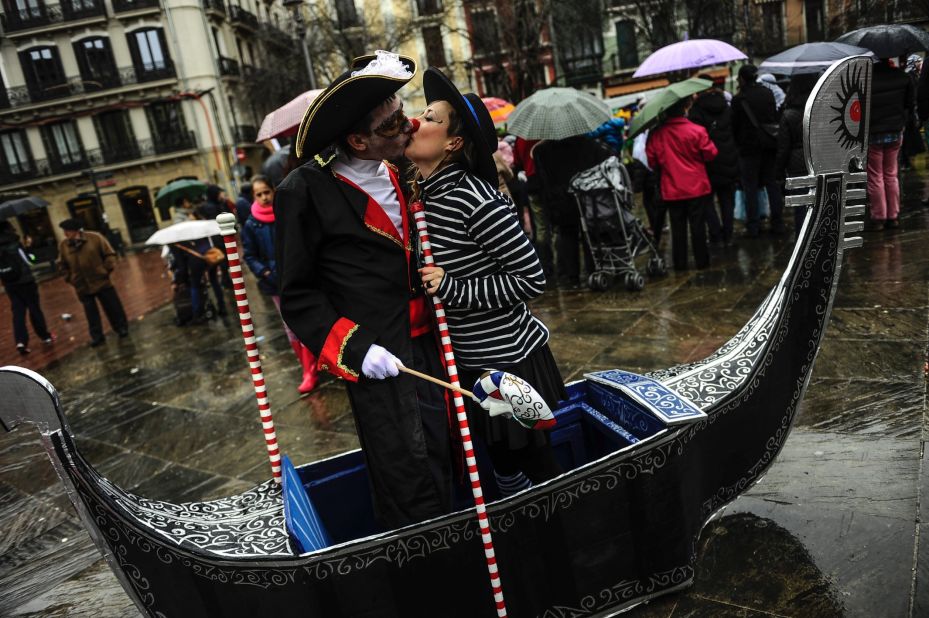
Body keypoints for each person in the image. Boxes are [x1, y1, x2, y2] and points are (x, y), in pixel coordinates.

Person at [275, 51, 452, 530]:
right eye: (393, 123)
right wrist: (356, 348)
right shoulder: (303, 191)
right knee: (407, 470)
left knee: (450, 450)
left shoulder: (401, 169)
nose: (409, 126)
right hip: (380, 359)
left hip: (434, 344)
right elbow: (298, 296)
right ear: (357, 139)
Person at [407, 67, 563, 496]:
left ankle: (568, 534)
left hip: (508, 362)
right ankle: (522, 527)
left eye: (432, 118)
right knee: (501, 462)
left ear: (453, 143)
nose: (416, 122)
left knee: (536, 463)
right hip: (466, 360)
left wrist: (453, 287)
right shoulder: (423, 194)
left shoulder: (475, 199)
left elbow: (531, 278)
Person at [241, 175, 318, 394]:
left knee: (309, 319)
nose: (264, 197)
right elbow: (250, 255)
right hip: (275, 283)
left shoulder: (286, 213)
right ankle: (308, 370)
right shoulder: (251, 224)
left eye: (267, 192)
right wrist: (265, 272)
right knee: (291, 326)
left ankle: (316, 364)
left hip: (299, 275)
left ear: (273, 190)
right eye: (259, 194)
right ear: (253, 197)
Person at [646, 96, 718, 271]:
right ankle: (702, 261)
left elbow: (652, 161)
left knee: (677, 228)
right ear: (684, 109)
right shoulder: (697, 130)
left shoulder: (657, 134)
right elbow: (711, 153)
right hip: (696, 186)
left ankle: (680, 263)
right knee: (698, 225)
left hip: (672, 189)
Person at [533, 134, 613, 287]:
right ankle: (593, 270)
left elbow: (544, 178)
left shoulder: (543, 150)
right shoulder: (586, 143)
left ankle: (572, 276)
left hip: (561, 198)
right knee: (588, 234)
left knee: (567, 236)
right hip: (584, 194)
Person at [732, 64, 785, 237]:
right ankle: (777, 223)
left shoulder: (739, 99)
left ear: (741, 78)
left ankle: (753, 226)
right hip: (769, 145)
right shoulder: (767, 93)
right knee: (772, 184)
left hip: (748, 149)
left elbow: (735, 126)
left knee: (751, 187)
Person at [57, 218, 128, 347]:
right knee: (91, 313)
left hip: (101, 280)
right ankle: (97, 336)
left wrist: (105, 270)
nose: (65, 234)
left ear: (76, 230)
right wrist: (69, 277)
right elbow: (62, 264)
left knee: (112, 307)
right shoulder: (64, 245)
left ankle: (121, 328)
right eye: (65, 231)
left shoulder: (95, 238)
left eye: (68, 231)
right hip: (81, 285)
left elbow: (109, 254)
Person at [689, 75, 740, 247]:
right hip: (729, 159)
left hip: (707, 163)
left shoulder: (695, 110)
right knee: (727, 200)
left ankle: (716, 236)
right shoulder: (725, 105)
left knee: (707, 202)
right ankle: (729, 235)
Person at [867, 57, 914, 229]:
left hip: (873, 133)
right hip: (895, 131)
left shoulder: (866, 80)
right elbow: (909, 103)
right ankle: (893, 215)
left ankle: (879, 217)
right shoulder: (902, 77)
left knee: (875, 175)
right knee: (891, 173)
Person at [775, 72, 819, 239]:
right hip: (818, 161)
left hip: (797, 166)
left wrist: (778, 171)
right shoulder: (820, 107)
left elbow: (783, 147)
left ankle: (803, 241)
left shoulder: (788, 114)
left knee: (801, 207)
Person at [0, 221, 53, 354]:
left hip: (10, 284)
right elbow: (30, 260)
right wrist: (28, 248)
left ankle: (20, 342)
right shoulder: (15, 243)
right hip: (26, 282)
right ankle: (44, 336)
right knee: (34, 309)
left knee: (18, 312)